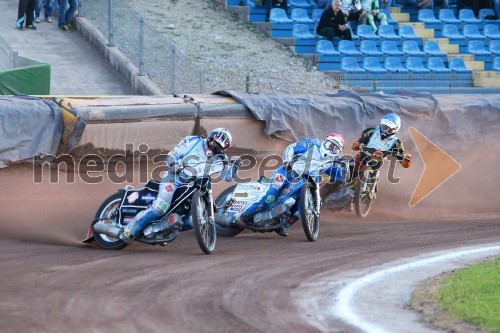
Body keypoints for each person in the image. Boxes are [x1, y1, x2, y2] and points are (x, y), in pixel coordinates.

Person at [119, 128, 234, 244]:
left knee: (194, 221)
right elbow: (172, 155)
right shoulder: (193, 141)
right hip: (174, 178)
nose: (214, 148)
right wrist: (174, 164)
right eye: (213, 143)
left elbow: (228, 176)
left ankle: (161, 230)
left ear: (223, 149)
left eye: (218, 147)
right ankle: (129, 230)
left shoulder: (221, 159)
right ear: (209, 138)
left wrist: (235, 166)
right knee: (161, 207)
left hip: (194, 187)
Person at [233, 132, 346, 237]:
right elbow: (291, 147)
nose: (331, 149)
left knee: (299, 210)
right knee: (271, 197)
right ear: (325, 141)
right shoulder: (311, 143)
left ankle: (281, 225)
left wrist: (346, 170)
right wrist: (287, 161)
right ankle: (243, 216)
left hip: (303, 183)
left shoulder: (329, 163)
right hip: (287, 173)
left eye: (335, 148)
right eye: (331, 145)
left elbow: (338, 174)